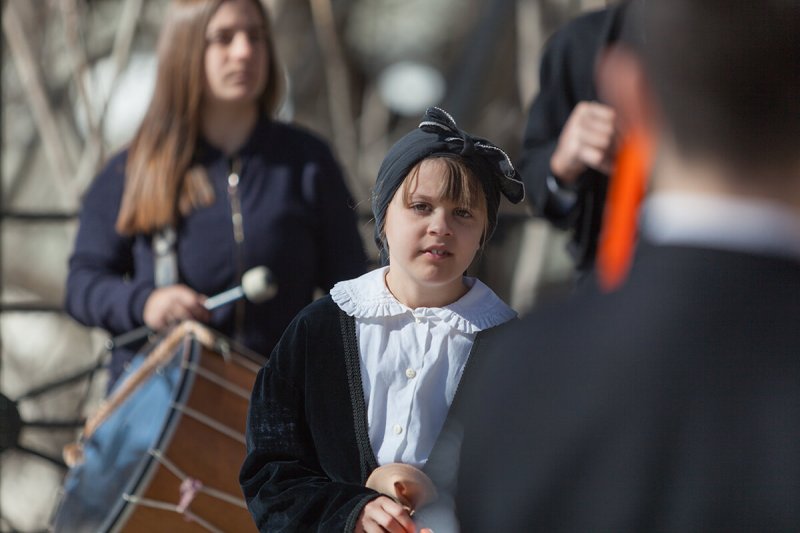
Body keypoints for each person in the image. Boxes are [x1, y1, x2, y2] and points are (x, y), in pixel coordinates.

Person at [447, 0, 800, 530]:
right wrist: (564, 164)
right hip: (610, 289)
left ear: (628, 90)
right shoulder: (578, 45)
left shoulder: (522, 375)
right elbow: (539, 174)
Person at [239, 107, 525, 532]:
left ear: (484, 231)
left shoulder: (513, 351)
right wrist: (351, 513)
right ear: (383, 217)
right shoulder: (317, 331)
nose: (440, 226)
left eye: (462, 213)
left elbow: (534, 481)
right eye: (421, 207)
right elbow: (272, 472)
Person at [64, 0, 367, 384]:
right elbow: (82, 285)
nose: (245, 51)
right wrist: (145, 303)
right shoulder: (132, 170)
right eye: (223, 38)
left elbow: (352, 289)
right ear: (185, 50)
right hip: (169, 409)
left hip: (278, 406)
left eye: (256, 37)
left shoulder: (308, 162)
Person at [519, 1, 630, 274]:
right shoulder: (581, 42)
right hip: (612, 276)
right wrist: (563, 163)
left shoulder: (749, 37)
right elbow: (531, 179)